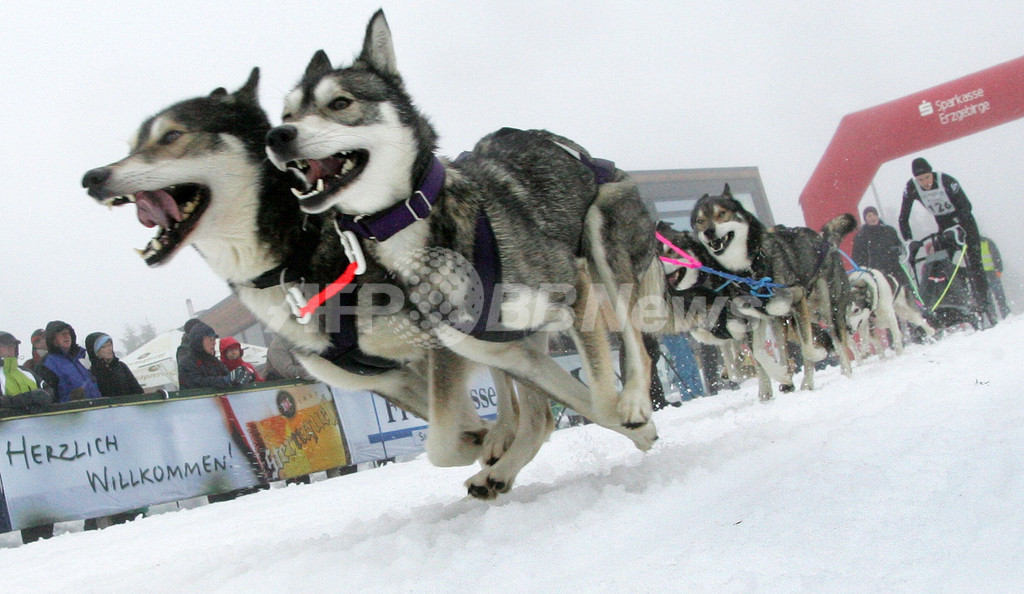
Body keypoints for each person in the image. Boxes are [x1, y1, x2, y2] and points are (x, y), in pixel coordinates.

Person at [898, 158, 997, 326]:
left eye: (927, 178)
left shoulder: (947, 181)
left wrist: (957, 225)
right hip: (943, 225)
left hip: (965, 222)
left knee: (974, 262)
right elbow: (903, 218)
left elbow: (966, 206)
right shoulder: (911, 187)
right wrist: (909, 241)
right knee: (941, 263)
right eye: (921, 180)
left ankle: (983, 302)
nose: (925, 183)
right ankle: (952, 301)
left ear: (932, 174)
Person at [0, 331, 54, 543]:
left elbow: (48, 392)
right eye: (6, 345)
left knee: (40, 491)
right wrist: (24, 400)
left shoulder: (27, 373)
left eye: (13, 345)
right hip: (9, 450)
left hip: (37, 447)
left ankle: (45, 535)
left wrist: (41, 396)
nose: (11, 349)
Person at [36, 321, 103, 402]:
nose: (66, 336)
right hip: (70, 413)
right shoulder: (46, 365)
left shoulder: (80, 360)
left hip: (95, 411)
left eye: (68, 333)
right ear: (52, 338)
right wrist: (71, 401)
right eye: (61, 334)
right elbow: (48, 400)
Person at [177, 321, 251, 390]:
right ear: (198, 341)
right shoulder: (187, 363)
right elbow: (197, 383)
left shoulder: (215, 362)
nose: (214, 343)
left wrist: (241, 378)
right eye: (210, 339)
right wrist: (225, 380)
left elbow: (227, 375)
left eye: (214, 340)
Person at [852, 206, 907, 284]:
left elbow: (901, 247)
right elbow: (856, 257)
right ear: (865, 219)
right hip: (875, 273)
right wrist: (867, 269)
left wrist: (896, 250)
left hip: (894, 269)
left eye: (874, 215)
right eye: (869, 216)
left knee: (906, 290)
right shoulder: (861, 236)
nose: (872, 218)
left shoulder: (889, 231)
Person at [85, 332, 144, 397]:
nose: (109, 349)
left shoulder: (121, 367)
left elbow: (138, 392)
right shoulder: (91, 374)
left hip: (130, 406)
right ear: (95, 352)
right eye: (104, 347)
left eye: (110, 345)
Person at [980, 236, 1011, 319]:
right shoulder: (973, 245)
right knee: (989, 299)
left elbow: (996, 256)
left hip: (991, 274)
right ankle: (993, 317)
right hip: (983, 277)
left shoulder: (987, 242)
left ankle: (1005, 316)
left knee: (998, 297)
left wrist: (999, 270)